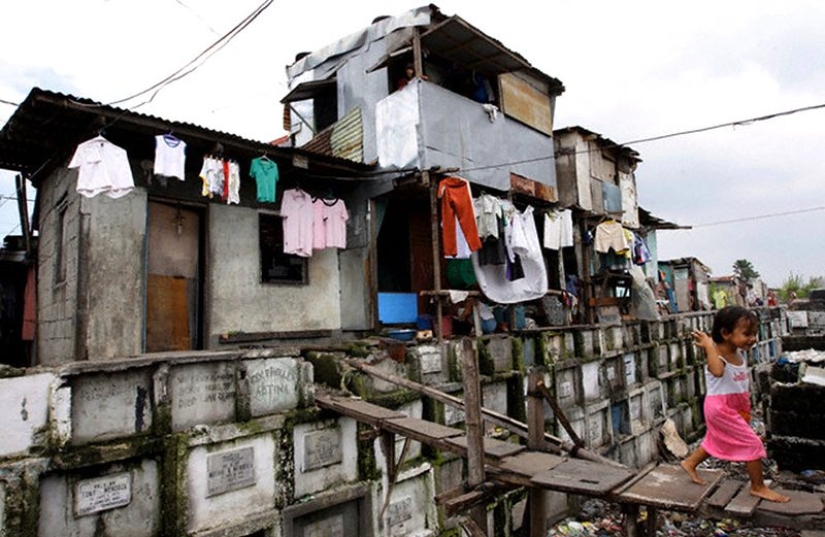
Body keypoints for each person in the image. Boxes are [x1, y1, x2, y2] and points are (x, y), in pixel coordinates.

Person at [680, 306, 790, 502]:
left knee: (716, 438)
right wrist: (708, 347)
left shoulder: (738, 351)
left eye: (754, 333)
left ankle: (690, 463)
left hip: (737, 405)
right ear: (725, 333)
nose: (753, 338)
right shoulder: (716, 352)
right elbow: (717, 372)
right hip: (720, 407)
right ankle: (758, 486)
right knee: (752, 443)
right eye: (747, 334)